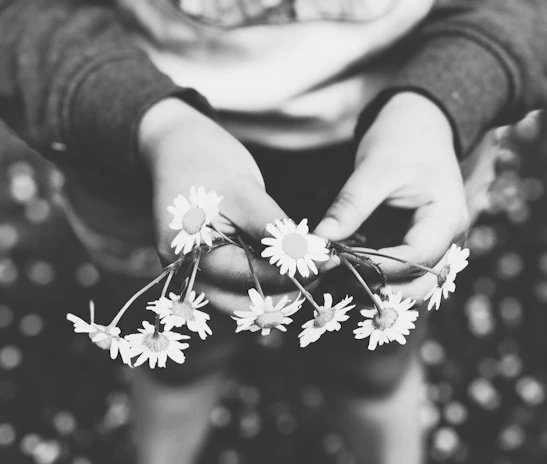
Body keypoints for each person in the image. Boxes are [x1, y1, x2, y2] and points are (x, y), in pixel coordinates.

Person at [0, 1, 546, 463]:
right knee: (177, 362)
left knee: (377, 357)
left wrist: (442, 100)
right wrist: (156, 124)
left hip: (403, 158)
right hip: (144, 153)